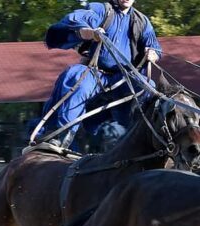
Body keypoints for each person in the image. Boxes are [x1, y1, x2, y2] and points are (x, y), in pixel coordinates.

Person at [35, 0, 162, 149]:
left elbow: (155, 48)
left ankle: (151, 140)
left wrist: (153, 54)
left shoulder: (142, 21)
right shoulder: (101, 10)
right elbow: (75, 23)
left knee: (149, 88)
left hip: (124, 78)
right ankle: (60, 137)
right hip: (96, 72)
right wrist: (91, 33)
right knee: (75, 78)